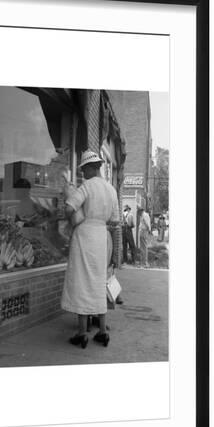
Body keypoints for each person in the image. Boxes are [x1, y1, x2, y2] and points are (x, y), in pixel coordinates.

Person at [61, 149, 120, 349]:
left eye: (84, 169)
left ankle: (82, 333)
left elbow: (70, 207)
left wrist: (71, 219)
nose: (83, 173)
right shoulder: (111, 190)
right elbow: (115, 220)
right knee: (97, 282)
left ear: (89, 168)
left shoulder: (86, 186)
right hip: (101, 237)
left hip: (84, 236)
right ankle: (102, 332)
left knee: (82, 281)